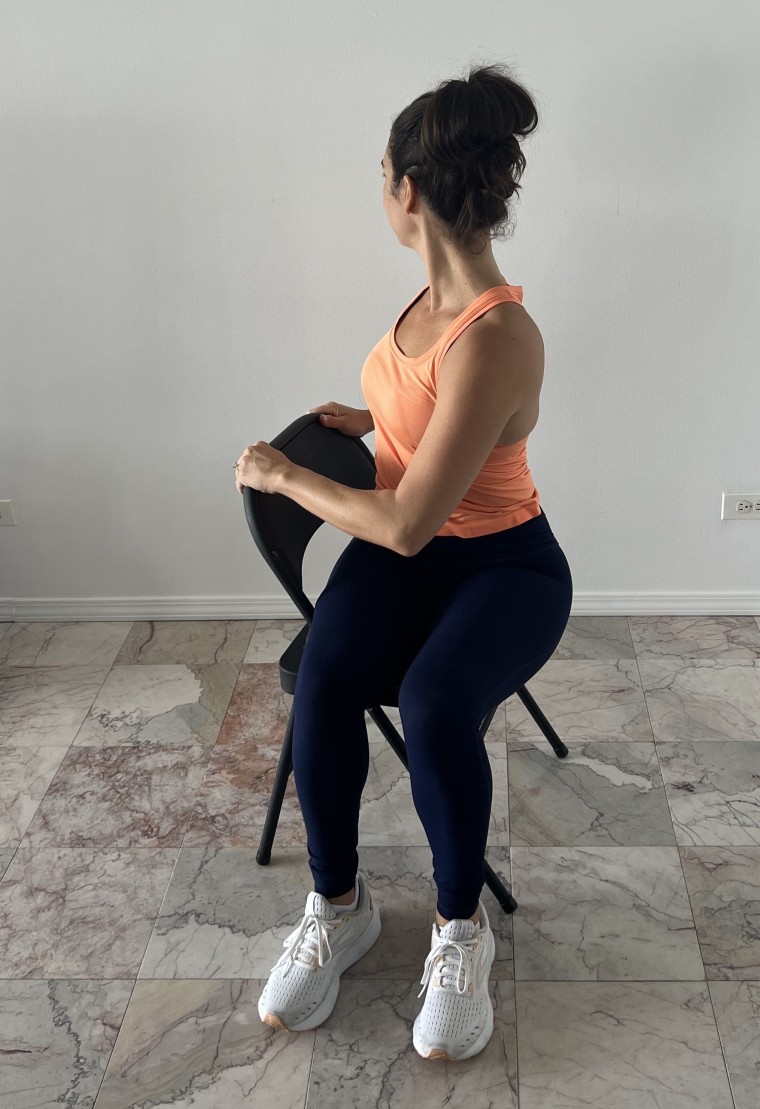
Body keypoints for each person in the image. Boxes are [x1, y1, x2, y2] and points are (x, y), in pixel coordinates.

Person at [254, 61, 573, 1060]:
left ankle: (456, 928)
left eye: (378, 175)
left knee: (435, 699)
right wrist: (376, 418)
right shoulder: (428, 302)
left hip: (502, 569)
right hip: (414, 552)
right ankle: (338, 903)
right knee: (326, 675)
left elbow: (398, 522)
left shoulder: (496, 334)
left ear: (406, 188)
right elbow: (422, 417)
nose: (378, 190)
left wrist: (282, 474)